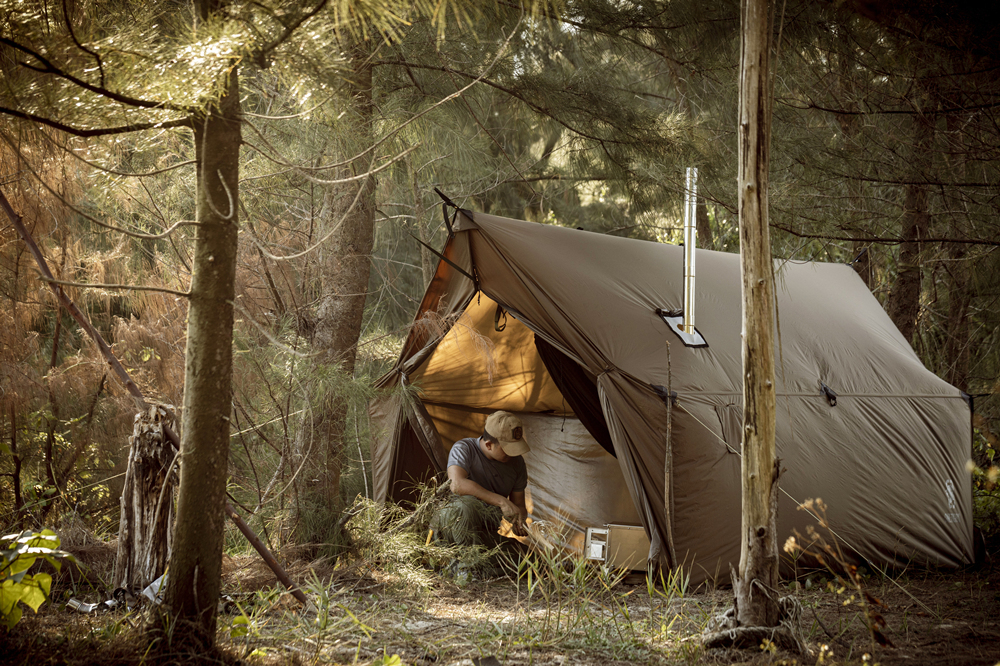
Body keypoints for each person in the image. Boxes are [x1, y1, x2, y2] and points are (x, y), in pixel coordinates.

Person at [432, 411, 530, 548]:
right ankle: (467, 565)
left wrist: (519, 520)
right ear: (489, 445)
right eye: (508, 449)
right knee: (466, 505)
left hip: (485, 533)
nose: (513, 454)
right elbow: (457, 485)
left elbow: (519, 505)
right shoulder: (464, 449)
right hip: (452, 530)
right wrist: (501, 501)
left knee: (527, 558)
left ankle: (478, 562)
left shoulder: (517, 463)